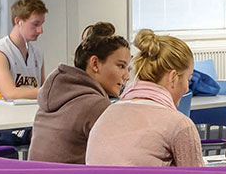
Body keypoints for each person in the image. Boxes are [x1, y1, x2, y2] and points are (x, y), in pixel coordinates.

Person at [86, 30, 204, 167]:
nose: (187, 88)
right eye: (188, 79)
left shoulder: (106, 114)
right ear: (173, 77)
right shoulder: (179, 124)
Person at [27, 22, 130, 164]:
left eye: (128, 68)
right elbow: (121, 158)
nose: (127, 76)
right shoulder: (96, 105)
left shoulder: (53, 96)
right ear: (95, 64)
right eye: (121, 66)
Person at [0, 0, 47, 102]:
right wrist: (48, 91)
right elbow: (10, 94)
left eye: (41, 24)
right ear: (18, 21)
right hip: (0, 111)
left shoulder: (37, 53)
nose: (40, 30)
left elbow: (44, 90)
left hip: (30, 110)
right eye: (35, 24)